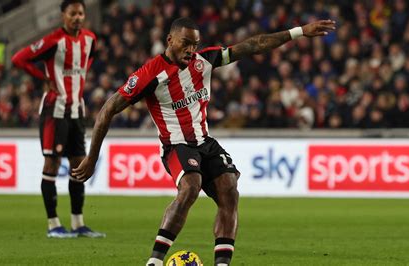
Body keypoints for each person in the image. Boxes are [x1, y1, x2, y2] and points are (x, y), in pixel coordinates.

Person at [72, 17, 335, 264]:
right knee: (191, 185)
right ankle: (154, 260)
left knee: (230, 190)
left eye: (194, 44)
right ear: (169, 40)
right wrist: (92, 157)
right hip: (176, 145)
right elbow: (107, 109)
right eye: (185, 43)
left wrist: (299, 32)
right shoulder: (150, 74)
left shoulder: (205, 60)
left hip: (205, 141)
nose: (191, 49)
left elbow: (254, 45)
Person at [11, 0, 104, 238]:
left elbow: (89, 59)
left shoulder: (90, 39)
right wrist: (43, 76)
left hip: (76, 111)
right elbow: (18, 59)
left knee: (78, 166)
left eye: (80, 13)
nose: (77, 18)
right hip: (55, 110)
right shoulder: (53, 41)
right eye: (72, 13)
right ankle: (53, 225)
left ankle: (78, 224)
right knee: (51, 164)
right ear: (63, 15)